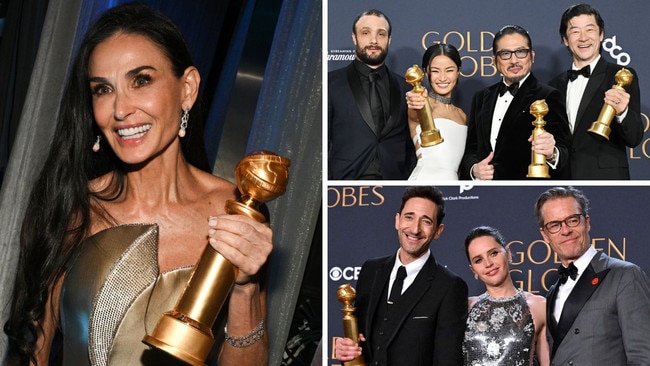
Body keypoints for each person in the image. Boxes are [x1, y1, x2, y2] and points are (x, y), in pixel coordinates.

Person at [3, 3, 272, 365]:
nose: (120, 109)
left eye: (141, 80)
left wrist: (246, 289)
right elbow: (32, 351)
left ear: (187, 88)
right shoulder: (72, 207)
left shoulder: (236, 209)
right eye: (102, 89)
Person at [334, 186, 468, 365]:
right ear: (397, 220)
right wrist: (347, 351)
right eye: (409, 217)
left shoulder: (450, 287)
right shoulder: (371, 270)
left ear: (438, 231)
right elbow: (360, 340)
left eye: (426, 221)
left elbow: (447, 361)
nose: (415, 229)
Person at [535, 186, 650, 364]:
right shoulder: (552, 292)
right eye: (555, 225)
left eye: (572, 220)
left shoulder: (625, 276)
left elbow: (644, 356)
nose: (565, 230)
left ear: (587, 222)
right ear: (545, 235)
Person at [460, 25, 572, 180]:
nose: (514, 61)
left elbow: (565, 151)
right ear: (494, 60)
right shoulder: (481, 97)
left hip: (526, 193)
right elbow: (471, 149)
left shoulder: (549, 96)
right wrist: (474, 169)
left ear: (532, 56)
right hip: (485, 194)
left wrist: (552, 153)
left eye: (521, 52)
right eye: (505, 54)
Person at [549, 4, 643, 179]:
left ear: (601, 35)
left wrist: (622, 112)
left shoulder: (620, 76)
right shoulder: (553, 86)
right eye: (575, 31)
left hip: (607, 183)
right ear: (565, 39)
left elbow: (634, 138)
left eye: (590, 30)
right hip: (563, 182)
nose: (583, 38)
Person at [328, 9, 415, 180]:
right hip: (343, 186)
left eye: (381, 34)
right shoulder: (331, 83)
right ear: (355, 37)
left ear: (389, 40)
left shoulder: (405, 87)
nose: (373, 40)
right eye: (366, 33)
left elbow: (411, 143)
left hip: (393, 184)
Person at [463, 226, 549, 366]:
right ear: (473, 270)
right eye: (478, 260)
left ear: (508, 253)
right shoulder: (466, 308)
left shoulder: (538, 306)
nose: (488, 263)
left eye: (493, 253)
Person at [405, 43, 467, 180]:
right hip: (424, 182)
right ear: (426, 72)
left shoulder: (462, 115)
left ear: (458, 71)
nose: (442, 78)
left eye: (449, 70)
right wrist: (414, 97)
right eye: (435, 71)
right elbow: (414, 106)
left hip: (453, 185)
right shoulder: (422, 104)